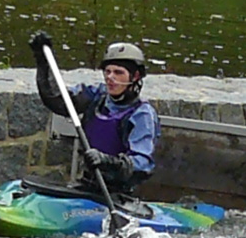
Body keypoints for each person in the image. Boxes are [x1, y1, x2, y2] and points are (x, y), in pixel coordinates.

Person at [30, 33, 158, 198]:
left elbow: (142, 165)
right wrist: (42, 61)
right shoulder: (96, 95)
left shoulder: (142, 114)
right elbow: (56, 100)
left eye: (118, 72)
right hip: (87, 185)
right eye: (107, 71)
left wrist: (107, 161)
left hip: (117, 195)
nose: (110, 77)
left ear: (135, 76)